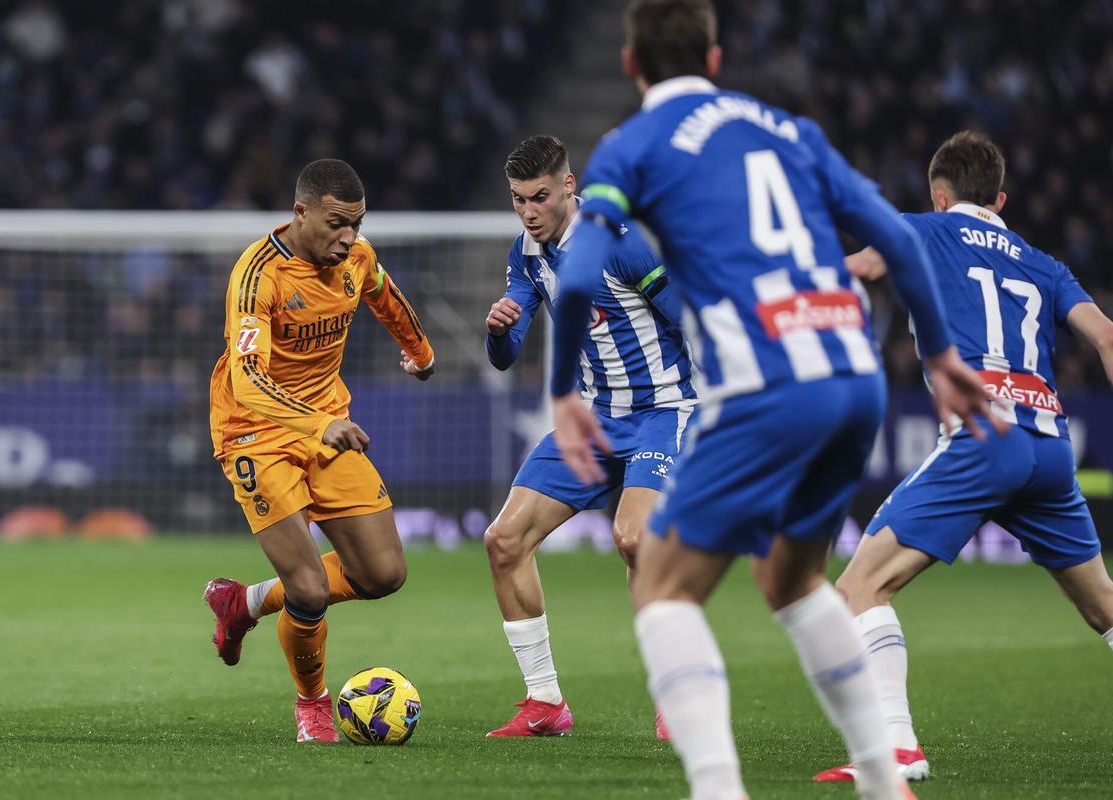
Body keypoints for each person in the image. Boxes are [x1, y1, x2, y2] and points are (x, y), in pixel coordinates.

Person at [548, 2, 999, 799]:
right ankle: (882, 780)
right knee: (793, 581)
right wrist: (938, 352)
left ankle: (718, 788)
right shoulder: (792, 131)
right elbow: (899, 240)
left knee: (662, 585)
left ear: (631, 65)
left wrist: (560, 390)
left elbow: (580, 270)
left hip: (765, 379)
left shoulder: (633, 144)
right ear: (715, 59)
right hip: (852, 376)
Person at [814, 131, 1113, 783]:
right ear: (999, 199)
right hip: (1049, 445)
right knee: (1104, 610)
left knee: (860, 587)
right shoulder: (1044, 264)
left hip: (984, 436)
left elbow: (862, 266)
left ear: (939, 195)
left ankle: (896, 748)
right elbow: (1107, 337)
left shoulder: (926, 228)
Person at [203, 158, 436, 743]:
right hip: (255, 433)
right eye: (336, 224)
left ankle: (244, 603)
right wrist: (317, 424)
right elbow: (248, 381)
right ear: (300, 212)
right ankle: (312, 703)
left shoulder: (357, 258)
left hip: (326, 425)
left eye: (356, 224)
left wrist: (421, 353)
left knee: (383, 574)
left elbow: (386, 296)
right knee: (308, 590)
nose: (348, 237)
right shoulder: (258, 276)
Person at [482, 135, 697, 738]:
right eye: (519, 199)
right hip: (596, 419)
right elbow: (506, 353)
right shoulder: (527, 252)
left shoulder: (620, 243)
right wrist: (499, 330)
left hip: (665, 410)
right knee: (504, 540)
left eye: (540, 197)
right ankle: (545, 702)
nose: (529, 212)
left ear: (568, 186)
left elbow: (690, 317)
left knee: (635, 539)